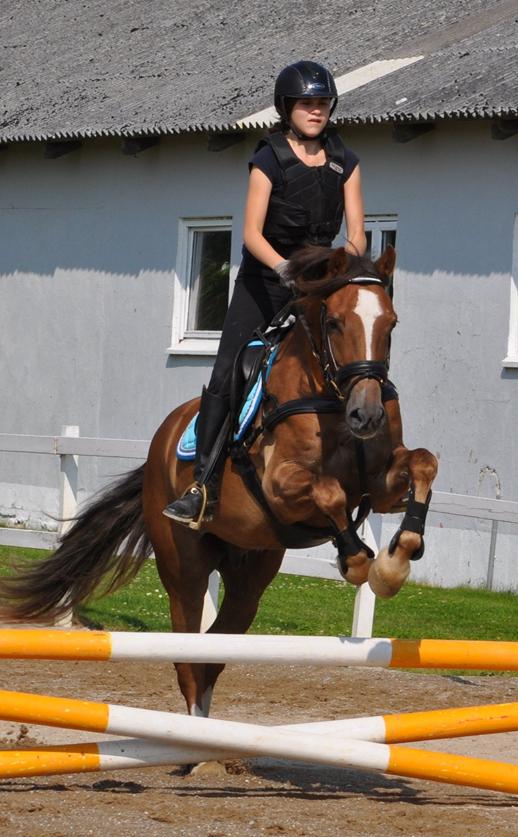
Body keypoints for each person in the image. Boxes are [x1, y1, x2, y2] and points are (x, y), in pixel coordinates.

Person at [163, 59, 366, 528]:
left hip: (320, 284)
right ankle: (203, 486)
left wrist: (339, 268)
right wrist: (285, 268)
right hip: (265, 283)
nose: (317, 112)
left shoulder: (347, 162)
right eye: (308, 104)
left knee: (355, 357)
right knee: (228, 371)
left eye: (323, 104)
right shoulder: (268, 158)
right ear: (287, 108)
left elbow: (356, 234)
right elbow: (251, 233)